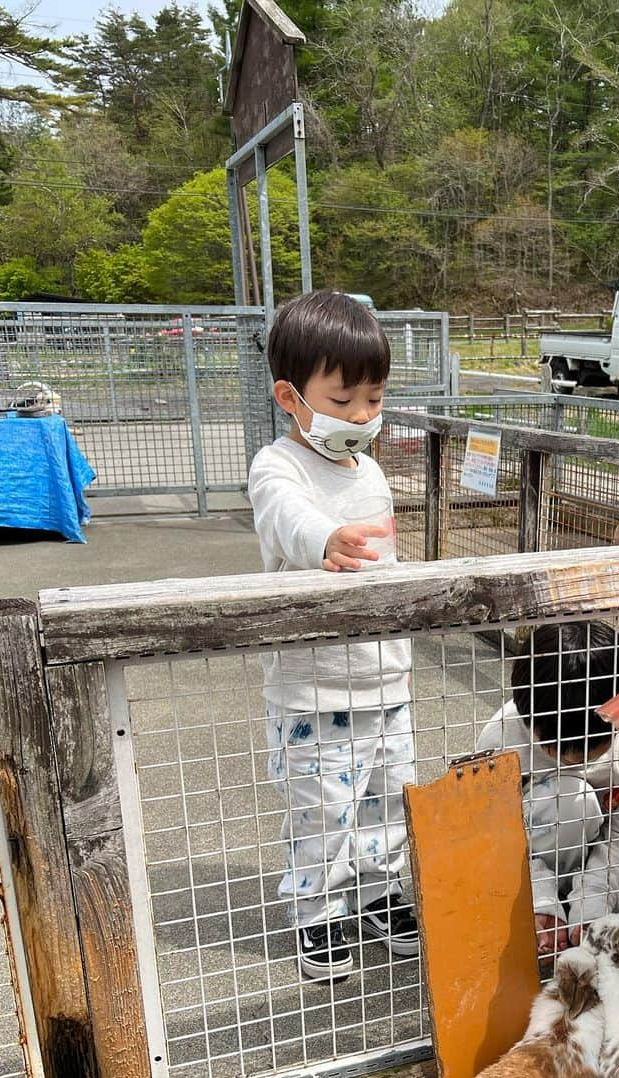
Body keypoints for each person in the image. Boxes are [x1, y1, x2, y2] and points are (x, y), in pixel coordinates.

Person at [247, 290, 418, 983]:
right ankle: (317, 912)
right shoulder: (277, 466)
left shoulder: (371, 470)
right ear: (291, 396)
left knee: (390, 798)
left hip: (385, 677)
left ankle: (379, 894)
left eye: (373, 401)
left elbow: (387, 559)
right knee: (324, 810)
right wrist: (324, 539)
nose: (361, 417)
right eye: (344, 401)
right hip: (315, 690)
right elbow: (287, 518)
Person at [475, 622, 619, 957]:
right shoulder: (502, 737)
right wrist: (540, 898)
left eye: (583, 749)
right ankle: (558, 901)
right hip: (549, 842)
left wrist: (592, 905)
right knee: (570, 805)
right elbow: (494, 836)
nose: (567, 757)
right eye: (551, 745)